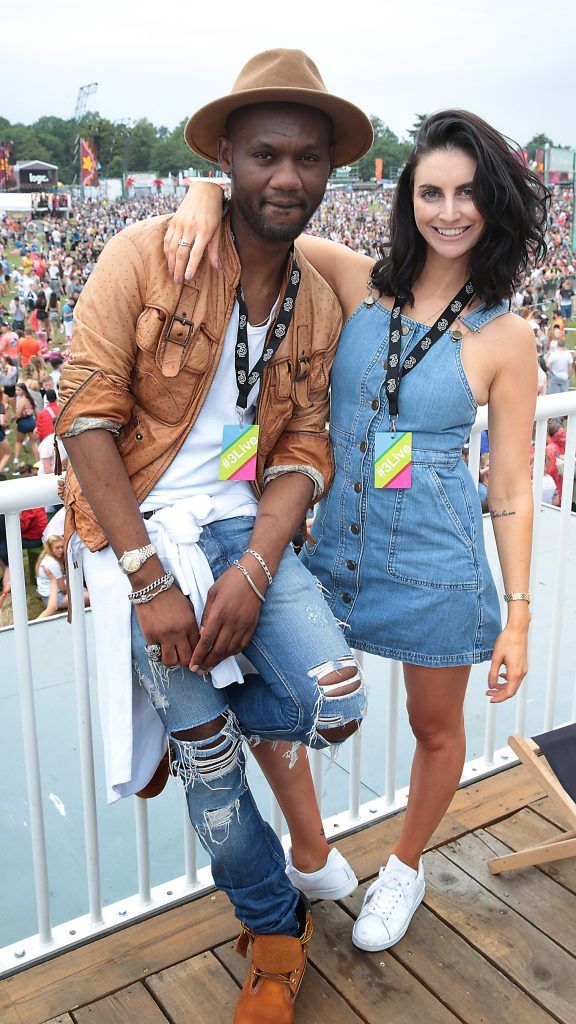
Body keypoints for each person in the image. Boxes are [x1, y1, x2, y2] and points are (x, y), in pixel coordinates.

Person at [171, 106, 544, 954]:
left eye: (467, 194)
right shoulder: (359, 281)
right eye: (431, 191)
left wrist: (518, 612)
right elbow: (266, 212)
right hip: (329, 547)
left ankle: (405, 868)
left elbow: (513, 482)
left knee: (434, 728)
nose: (448, 211)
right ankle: (311, 848)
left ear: (495, 206)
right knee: (281, 694)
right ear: (408, 197)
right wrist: (198, 190)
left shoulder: (506, 336)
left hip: (436, 557)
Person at [56, 49, 372, 1024]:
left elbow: (303, 449)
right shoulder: (146, 255)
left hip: (241, 519)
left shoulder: (318, 292)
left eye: (309, 159)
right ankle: (273, 931)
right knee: (211, 761)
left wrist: (251, 568)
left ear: (331, 170)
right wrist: (152, 583)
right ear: (226, 155)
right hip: (137, 525)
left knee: (338, 699)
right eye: (265, 153)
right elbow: (82, 418)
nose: (287, 176)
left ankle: (196, 713)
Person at [35, 534, 69, 610]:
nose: (61, 550)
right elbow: (63, 589)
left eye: (62, 547)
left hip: (47, 594)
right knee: (89, 596)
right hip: (55, 598)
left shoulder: (46, 557)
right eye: (57, 548)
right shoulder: (52, 563)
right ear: (51, 549)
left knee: (83, 590)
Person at [13, 381, 39, 463]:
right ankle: (37, 460)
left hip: (23, 423)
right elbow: (36, 412)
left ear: (23, 391)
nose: (16, 391)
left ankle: (16, 459)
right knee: (34, 442)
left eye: (18, 390)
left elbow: (18, 415)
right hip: (31, 421)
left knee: (18, 441)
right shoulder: (30, 399)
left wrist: (12, 418)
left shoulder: (21, 401)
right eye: (16, 390)